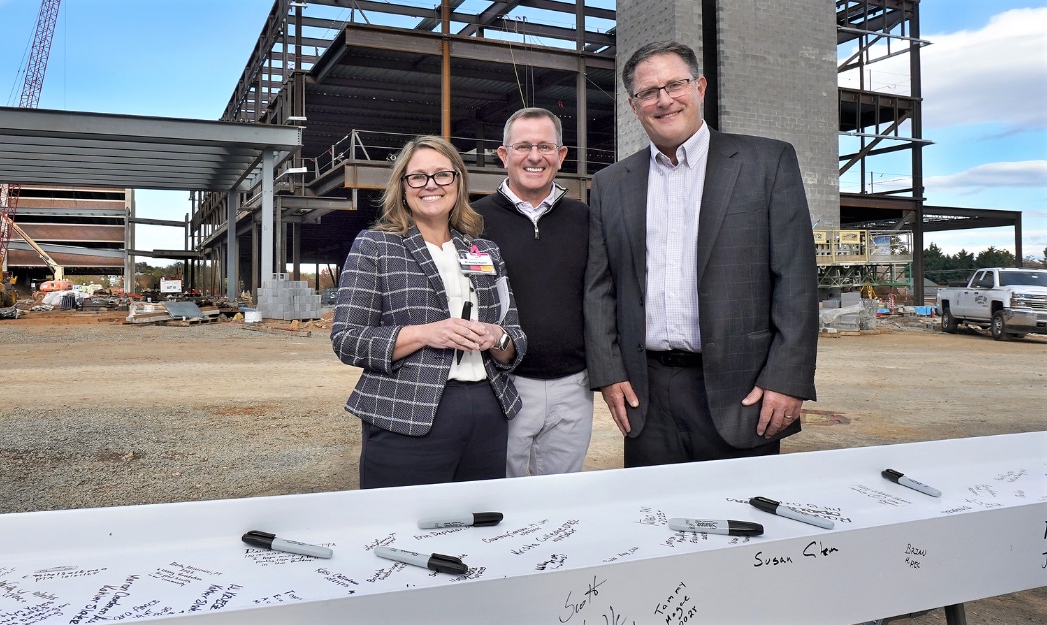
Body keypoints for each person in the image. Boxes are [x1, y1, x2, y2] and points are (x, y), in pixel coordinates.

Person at [584, 41, 818, 467]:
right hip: (646, 393)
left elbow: (796, 280)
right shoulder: (611, 184)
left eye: (675, 84)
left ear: (700, 87)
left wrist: (788, 378)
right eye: (648, 92)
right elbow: (600, 288)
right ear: (634, 107)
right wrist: (608, 372)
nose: (664, 100)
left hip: (743, 388)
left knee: (746, 522)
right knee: (654, 520)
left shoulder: (767, 162)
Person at [332, 135, 527, 489]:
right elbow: (347, 340)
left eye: (442, 175)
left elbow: (515, 335)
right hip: (406, 411)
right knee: (401, 524)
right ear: (403, 187)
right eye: (418, 176)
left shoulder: (485, 250)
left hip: (488, 409)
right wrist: (426, 333)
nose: (431, 185)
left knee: (478, 524)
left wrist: (497, 337)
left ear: (458, 182)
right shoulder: (376, 245)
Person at [474, 108, 592, 477]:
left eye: (545, 146)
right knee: (499, 496)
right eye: (523, 146)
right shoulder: (471, 221)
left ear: (562, 155)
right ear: (503, 155)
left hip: (574, 386)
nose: (535, 156)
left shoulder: (586, 219)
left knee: (561, 499)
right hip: (501, 382)